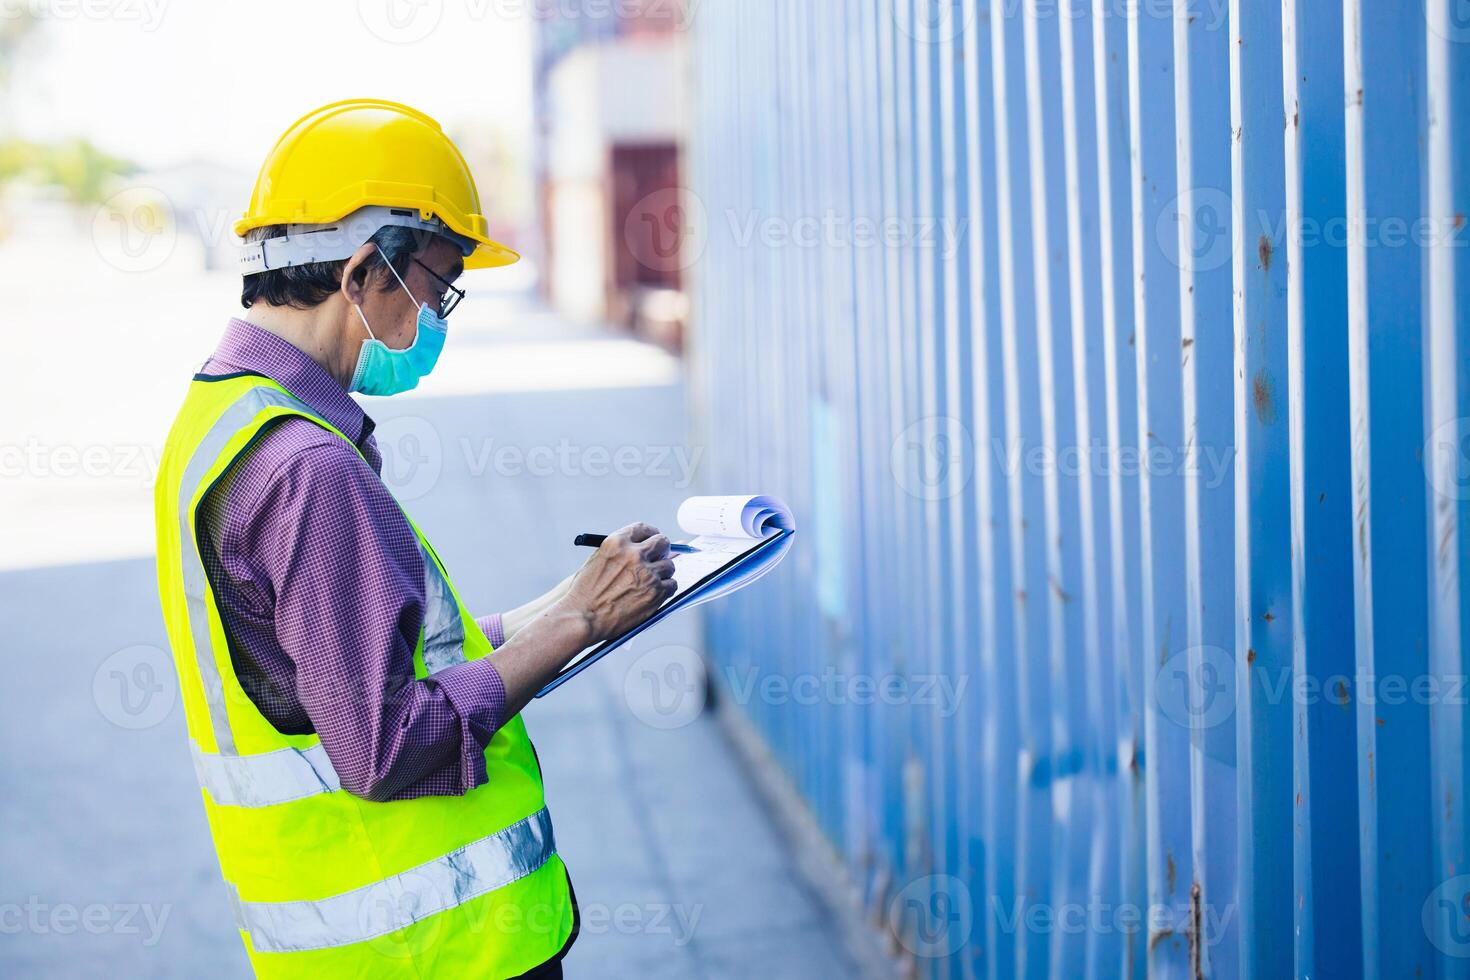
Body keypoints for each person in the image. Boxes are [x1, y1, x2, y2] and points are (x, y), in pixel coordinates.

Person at [153, 98, 677, 978]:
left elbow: (352, 671)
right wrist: (578, 623)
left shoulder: (219, 419)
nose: (439, 316)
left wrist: (577, 600)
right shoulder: (306, 471)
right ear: (365, 272)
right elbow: (384, 742)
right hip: (435, 952)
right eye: (438, 286)